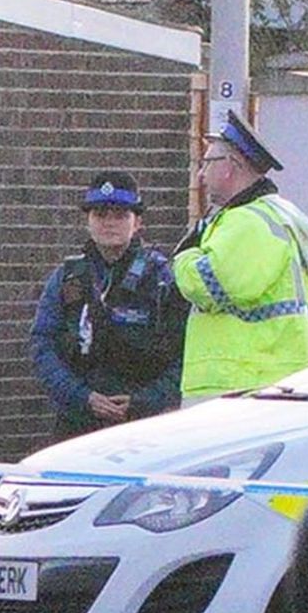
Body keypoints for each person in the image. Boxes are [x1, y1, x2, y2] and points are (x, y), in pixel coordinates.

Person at [172, 111, 308, 400]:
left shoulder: (247, 221)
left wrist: (184, 257)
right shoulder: (281, 217)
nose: (201, 174)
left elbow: (213, 285)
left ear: (229, 167)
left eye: (206, 163)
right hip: (276, 382)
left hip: (241, 386)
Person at [28, 173, 186, 438]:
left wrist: (143, 401)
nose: (109, 223)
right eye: (100, 214)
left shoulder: (163, 279)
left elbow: (185, 355)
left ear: (137, 223)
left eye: (120, 215)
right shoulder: (68, 277)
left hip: (145, 426)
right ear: (87, 221)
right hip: (77, 422)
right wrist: (83, 397)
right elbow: (42, 345)